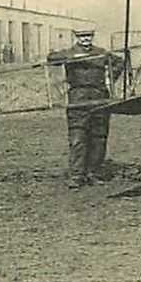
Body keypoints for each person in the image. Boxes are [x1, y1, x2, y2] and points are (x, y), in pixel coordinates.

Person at [48, 28, 119, 188]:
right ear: (76, 37)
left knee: (99, 136)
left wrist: (110, 78)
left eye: (88, 36)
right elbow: (52, 58)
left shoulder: (101, 53)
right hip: (78, 97)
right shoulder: (70, 53)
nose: (86, 39)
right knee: (77, 137)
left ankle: (94, 173)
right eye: (82, 36)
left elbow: (119, 62)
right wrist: (73, 57)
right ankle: (76, 175)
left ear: (92, 36)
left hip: (100, 96)